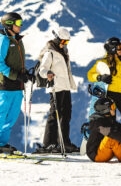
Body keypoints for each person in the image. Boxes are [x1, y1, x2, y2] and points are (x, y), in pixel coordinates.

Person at [34, 27, 79, 153]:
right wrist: (47, 73)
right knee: (55, 114)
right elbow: (42, 70)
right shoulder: (50, 53)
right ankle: (49, 143)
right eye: (63, 41)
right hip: (55, 87)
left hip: (65, 87)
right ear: (57, 39)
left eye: (66, 42)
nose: (64, 44)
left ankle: (64, 142)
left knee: (66, 115)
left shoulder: (64, 51)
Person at [88, 37, 121, 133]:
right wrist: (100, 77)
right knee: (111, 123)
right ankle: (112, 144)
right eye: (119, 47)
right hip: (110, 96)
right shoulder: (103, 63)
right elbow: (90, 75)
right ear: (112, 49)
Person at [0, 12, 33, 153]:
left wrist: (25, 74)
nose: (21, 26)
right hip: (5, 85)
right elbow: (0, 64)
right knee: (2, 114)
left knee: (12, 117)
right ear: (9, 25)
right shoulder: (3, 40)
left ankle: (2, 143)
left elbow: (19, 62)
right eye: (18, 23)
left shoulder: (18, 40)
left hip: (17, 87)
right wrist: (16, 75)